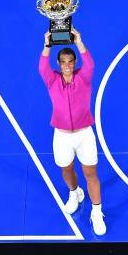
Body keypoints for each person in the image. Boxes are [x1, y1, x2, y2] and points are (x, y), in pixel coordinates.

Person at [38, 27, 106, 236]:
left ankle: (96, 212)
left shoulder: (84, 78)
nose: (67, 66)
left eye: (71, 62)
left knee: (90, 174)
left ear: (74, 63)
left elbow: (91, 63)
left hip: (84, 134)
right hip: (61, 136)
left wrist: (79, 41)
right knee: (66, 170)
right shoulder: (52, 80)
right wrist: (47, 45)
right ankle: (74, 192)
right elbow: (42, 67)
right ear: (58, 64)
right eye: (63, 62)